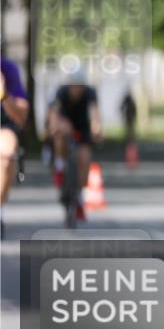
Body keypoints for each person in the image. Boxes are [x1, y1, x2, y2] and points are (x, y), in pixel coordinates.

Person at [47, 68, 102, 222]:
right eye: (73, 85)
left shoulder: (90, 93)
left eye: (79, 86)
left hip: (83, 127)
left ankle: (78, 195)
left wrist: (97, 128)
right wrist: (53, 125)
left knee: (85, 159)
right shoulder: (61, 92)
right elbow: (54, 112)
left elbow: (95, 112)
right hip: (65, 125)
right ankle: (60, 166)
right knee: (60, 137)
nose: (76, 89)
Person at [1, 55, 29, 238]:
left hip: (2, 128)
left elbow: (21, 115)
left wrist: (4, 95)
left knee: (8, 147)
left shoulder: (8, 69)